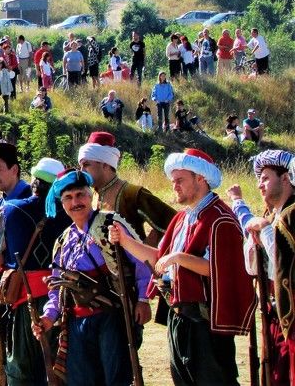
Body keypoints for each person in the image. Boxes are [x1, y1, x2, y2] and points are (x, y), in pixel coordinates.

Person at [109, 149, 256, 386]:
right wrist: (125, 241)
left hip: (205, 322)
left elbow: (218, 269)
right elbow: (159, 258)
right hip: (179, 317)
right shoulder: (182, 218)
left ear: (201, 178)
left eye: (180, 180)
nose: (174, 186)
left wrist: (178, 257)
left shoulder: (220, 219)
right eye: (172, 180)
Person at [33, 170, 152, 386]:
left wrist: (143, 299)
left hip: (111, 318)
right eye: (68, 198)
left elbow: (140, 262)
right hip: (77, 323)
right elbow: (57, 288)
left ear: (90, 196)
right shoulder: (63, 241)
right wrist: (49, 317)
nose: (75, 202)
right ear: (62, 203)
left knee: (116, 380)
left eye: (80, 195)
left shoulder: (110, 224)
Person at [0, 158, 69, 386]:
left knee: (21, 370)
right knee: (59, 368)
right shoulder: (70, 214)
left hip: (25, 299)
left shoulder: (9, 209)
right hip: (62, 299)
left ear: (34, 182)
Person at [227, 150, 295, 384]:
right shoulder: (272, 215)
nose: (259, 185)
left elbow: (283, 263)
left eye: (265, 178)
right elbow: (253, 268)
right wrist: (255, 235)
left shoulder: (292, 215)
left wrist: (265, 229)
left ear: (285, 178)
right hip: (274, 314)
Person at [77, 131, 177, 248]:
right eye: (80, 166)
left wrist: (145, 250)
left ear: (105, 164)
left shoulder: (132, 193)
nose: (82, 171)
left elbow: (174, 222)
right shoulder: (93, 195)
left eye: (86, 165)